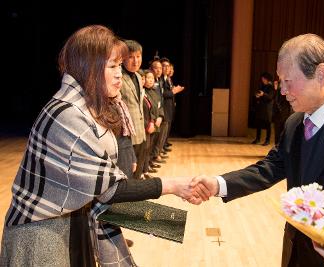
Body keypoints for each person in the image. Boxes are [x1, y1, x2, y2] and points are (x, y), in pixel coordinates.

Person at [190, 33, 324, 267]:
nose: (282, 91)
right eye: (280, 82)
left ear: (320, 74)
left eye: (288, 82)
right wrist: (218, 184)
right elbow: (270, 168)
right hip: (294, 254)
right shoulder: (294, 123)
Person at [0, 25, 197, 267]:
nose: (118, 73)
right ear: (88, 68)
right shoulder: (68, 114)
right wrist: (176, 186)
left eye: (119, 65)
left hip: (72, 224)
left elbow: (94, 196)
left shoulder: (84, 107)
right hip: (41, 236)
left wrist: (165, 222)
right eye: (112, 66)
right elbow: (109, 191)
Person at [120, 40, 147, 180]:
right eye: (131, 57)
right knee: (126, 176)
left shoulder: (137, 75)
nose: (136, 61)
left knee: (137, 174)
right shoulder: (118, 77)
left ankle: (135, 201)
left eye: (138, 56)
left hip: (140, 133)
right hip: (126, 137)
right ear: (123, 58)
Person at [251, 71, 275, 146]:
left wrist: (263, 94)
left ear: (267, 79)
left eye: (264, 79)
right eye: (262, 79)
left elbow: (270, 97)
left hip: (267, 109)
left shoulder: (271, 87)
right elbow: (259, 94)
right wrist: (257, 96)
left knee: (268, 125)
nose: (262, 80)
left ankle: (267, 140)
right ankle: (257, 139)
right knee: (258, 124)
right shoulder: (262, 86)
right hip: (260, 108)